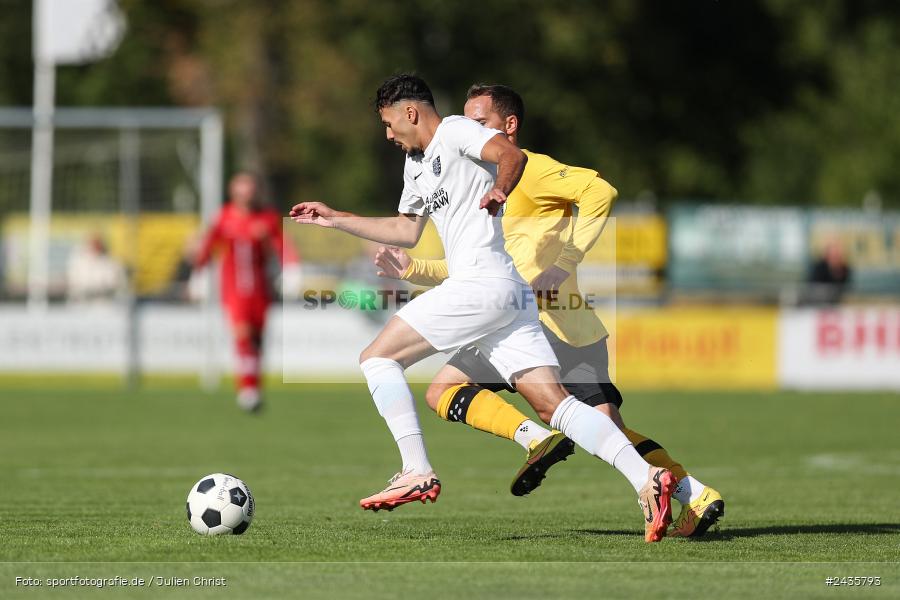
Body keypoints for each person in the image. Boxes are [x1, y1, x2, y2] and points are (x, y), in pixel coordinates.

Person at [291, 74, 676, 542]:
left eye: (390, 124)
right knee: (556, 407)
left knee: (377, 357)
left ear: (411, 112)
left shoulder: (456, 130)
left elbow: (511, 155)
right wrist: (335, 219)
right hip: (508, 296)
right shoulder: (416, 166)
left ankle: (416, 469)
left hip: (481, 284)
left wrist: (501, 189)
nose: (388, 135)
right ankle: (648, 479)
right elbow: (405, 230)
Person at [374, 83, 725, 538]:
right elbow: (475, 262)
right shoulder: (471, 174)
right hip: (515, 311)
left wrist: (565, 263)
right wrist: (413, 266)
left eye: (478, 123)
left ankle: (687, 491)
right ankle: (675, 487)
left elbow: (600, 190)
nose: (466, 130)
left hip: (558, 322)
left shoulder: (529, 169)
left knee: (594, 424)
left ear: (509, 126)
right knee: (450, 391)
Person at [194, 172, 300, 412]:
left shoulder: (267, 217)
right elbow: (208, 246)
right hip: (233, 288)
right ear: (233, 192)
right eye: (241, 189)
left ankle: (254, 387)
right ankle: (247, 388)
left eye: (250, 189)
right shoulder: (223, 217)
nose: (246, 194)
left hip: (260, 288)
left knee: (257, 340)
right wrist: (198, 274)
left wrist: (291, 268)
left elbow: (282, 244)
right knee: (242, 334)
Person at [66, 233, 127, 304]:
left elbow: (117, 284)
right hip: (82, 303)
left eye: (97, 244)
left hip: (106, 303)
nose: (95, 247)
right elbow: (73, 282)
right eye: (93, 244)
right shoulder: (78, 262)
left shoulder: (112, 262)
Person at [806, 239, 851, 305]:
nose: (835, 256)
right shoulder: (819, 267)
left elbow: (845, 288)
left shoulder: (845, 269)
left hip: (837, 303)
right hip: (817, 302)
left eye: (837, 254)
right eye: (833, 254)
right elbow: (813, 287)